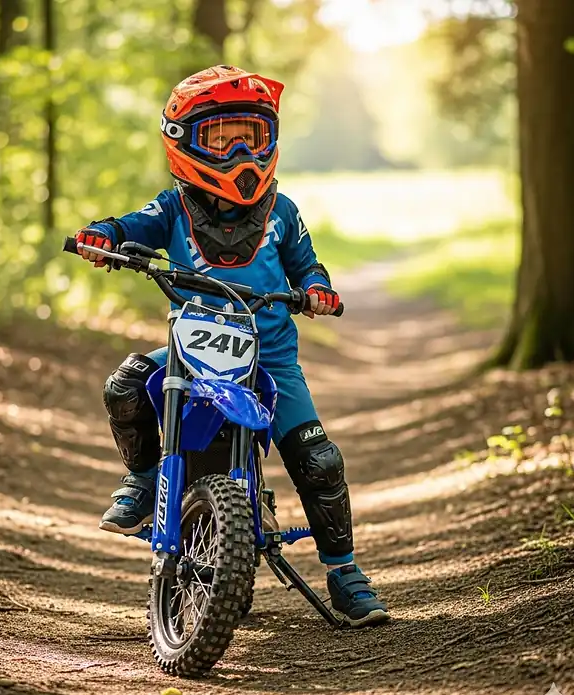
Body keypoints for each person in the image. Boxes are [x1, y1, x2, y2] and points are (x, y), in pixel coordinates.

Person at [74, 65, 389, 627]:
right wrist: (104, 235)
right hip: (190, 354)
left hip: (269, 361)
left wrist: (317, 289)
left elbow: (307, 265)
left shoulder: (282, 212)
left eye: (252, 135)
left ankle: (345, 573)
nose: (240, 151)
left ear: (272, 138)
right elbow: (130, 225)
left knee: (320, 460)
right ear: (183, 141)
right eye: (221, 138)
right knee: (124, 387)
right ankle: (145, 479)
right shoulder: (173, 208)